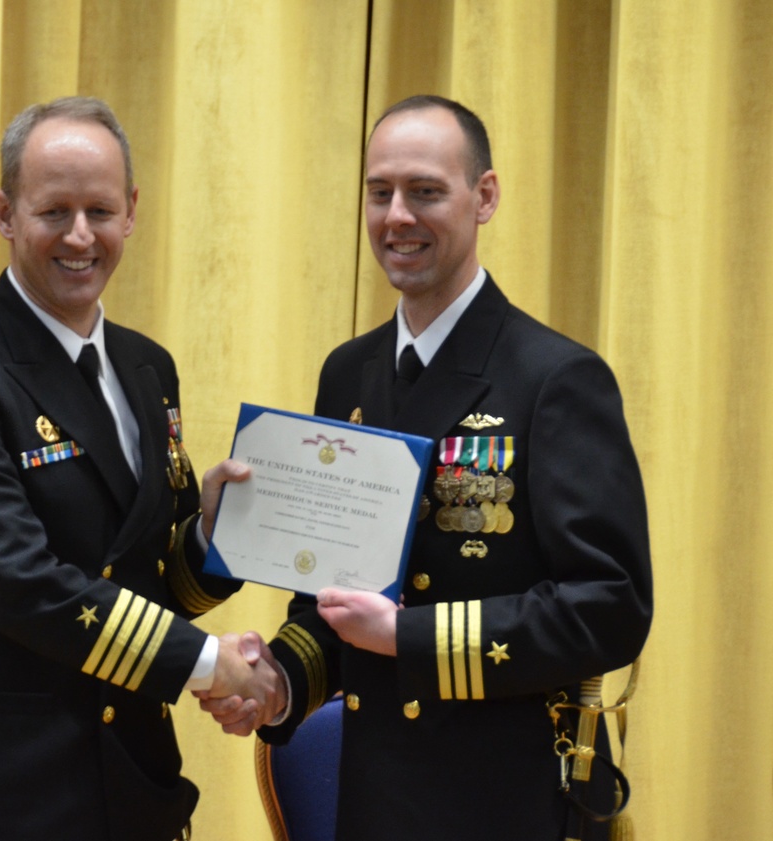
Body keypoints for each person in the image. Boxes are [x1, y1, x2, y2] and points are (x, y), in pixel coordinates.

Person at [199, 95, 653, 841]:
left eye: (425, 191)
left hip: (510, 804)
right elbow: (334, 603)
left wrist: (411, 638)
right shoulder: (348, 374)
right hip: (377, 799)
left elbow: (611, 606)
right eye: (380, 192)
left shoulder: (555, 378)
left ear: (485, 197)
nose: (397, 216)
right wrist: (278, 681)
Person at [0, 96, 277, 841]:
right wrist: (207, 665)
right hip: (7, 794)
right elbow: (21, 584)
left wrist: (210, 535)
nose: (79, 236)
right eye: (52, 211)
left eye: (99, 210)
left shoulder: (145, 365)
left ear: (131, 212)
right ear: (5, 213)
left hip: (134, 781)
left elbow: (149, 579)